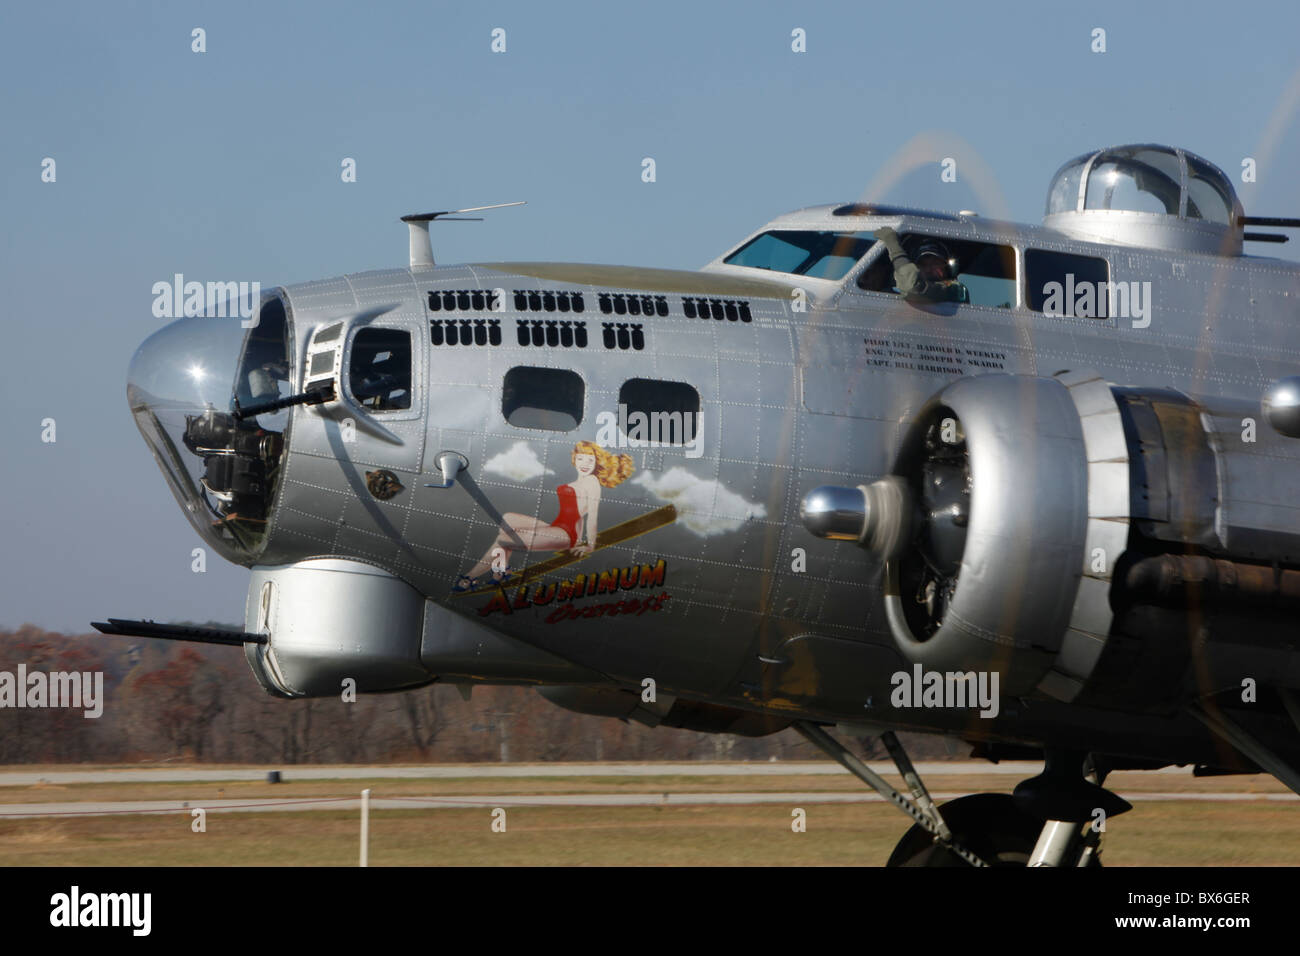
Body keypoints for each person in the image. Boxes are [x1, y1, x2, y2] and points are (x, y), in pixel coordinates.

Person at [453, 440, 635, 591]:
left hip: (566, 534)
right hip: (556, 526)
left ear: (596, 462)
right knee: (508, 520)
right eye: (581, 458)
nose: (585, 464)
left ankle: (470, 577)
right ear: (575, 459)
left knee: (506, 538)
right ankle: (501, 570)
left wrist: (589, 545)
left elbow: (592, 516)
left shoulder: (592, 482)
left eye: (590, 460)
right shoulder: (579, 480)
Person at [874, 227, 969, 304]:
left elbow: (913, 288)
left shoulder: (957, 291)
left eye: (935, 263)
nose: (928, 269)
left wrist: (894, 248)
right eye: (922, 264)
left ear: (949, 268)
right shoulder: (905, 291)